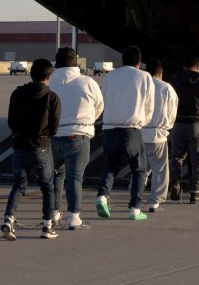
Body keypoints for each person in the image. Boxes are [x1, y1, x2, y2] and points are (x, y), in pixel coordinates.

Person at [1, 59, 62, 241]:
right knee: (47, 186)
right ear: (48, 76)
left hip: (19, 144)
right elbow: (54, 128)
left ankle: (9, 219)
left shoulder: (17, 93)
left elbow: (11, 121)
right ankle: (46, 226)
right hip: (41, 145)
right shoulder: (52, 97)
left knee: (19, 186)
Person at [95, 45, 154, 221]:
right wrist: (143, 122)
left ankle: (102, 196)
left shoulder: (111, 75)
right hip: (132, 128)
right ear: (139, 61)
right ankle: (135, 209)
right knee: (139, 168)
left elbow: (103, 99)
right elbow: (149, 105)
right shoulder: (144, 76)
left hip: (109, 128)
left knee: (111, 165)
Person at [49, 46, 104, 230]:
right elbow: (99, 106)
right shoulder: (87, 82)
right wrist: (86, 122)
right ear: (75, 62)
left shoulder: (50, 82)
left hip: (54, 135)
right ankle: (73, 216)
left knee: (56, 175)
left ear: (57, 63)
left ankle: (54, 213)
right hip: (78, 136)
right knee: (75, 178)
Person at [169, 55, 199, 204]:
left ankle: (175, 182)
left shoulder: (175, 82)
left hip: (179, 123)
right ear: (198, 66)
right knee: (197, 160)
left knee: (176, 156)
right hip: (198, 123)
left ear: (183, 67)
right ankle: (195, 192)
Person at [142, 60, 178, 213]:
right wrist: (167, 127)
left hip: (140, 132)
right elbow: (172, 111)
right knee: (160, 169)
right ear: (160, 73)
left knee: (140, 168)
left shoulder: (141, 86)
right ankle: (155, 201)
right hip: (158, 134)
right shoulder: (166, 88)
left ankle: (135, 196)